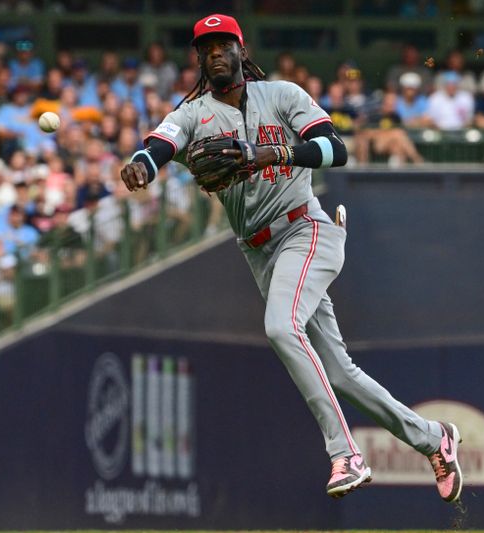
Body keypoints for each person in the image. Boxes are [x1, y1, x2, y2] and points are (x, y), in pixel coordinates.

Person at [120, 13, 463, 502]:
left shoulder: (281, 95)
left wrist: (273, 154)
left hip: (306, 228)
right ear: (198, 58)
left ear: (242, 50)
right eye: (206, 47)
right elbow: (160, 143)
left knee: (281, 327)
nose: (215, 53)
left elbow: (335, 149)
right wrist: (142, 164)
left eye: (223, 44)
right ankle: (435, 438)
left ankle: (345, 454)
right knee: (341, 373)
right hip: (261, 252)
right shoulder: (193, 115)